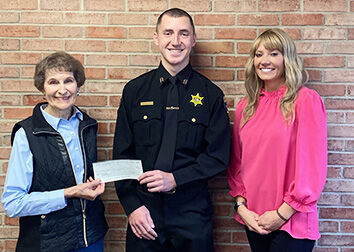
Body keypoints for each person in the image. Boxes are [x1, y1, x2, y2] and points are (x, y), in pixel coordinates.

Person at [113, 8, 230, 252]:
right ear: (156, 38)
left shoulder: (211, 95)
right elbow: (122, 155)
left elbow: (218, 157)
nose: (175, 41)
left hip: (192, 212)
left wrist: (175, 179)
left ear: (193, 40)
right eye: (168, 33)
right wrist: (131, 206)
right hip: (144, 212)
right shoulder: (134, 91)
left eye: (183, 34)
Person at [227, 28, 327, 252]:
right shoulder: (246, 105)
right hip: (255, 219)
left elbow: (312, 167)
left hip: (293, 220)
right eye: (259, 54)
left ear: (287, 59)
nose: (265, 60)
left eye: (274, 53)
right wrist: (241, 207)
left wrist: (282, 214)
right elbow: (237, 163)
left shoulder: (305, 101)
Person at [1, 52, 108, 252]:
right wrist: (70, 192)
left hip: (91, 238)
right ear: (42, 88)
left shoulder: (88, 125)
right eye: (53, 82)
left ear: (78, 86)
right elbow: (13, 204)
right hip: (49, 243)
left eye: (68, 80)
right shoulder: (27, 133)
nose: (62, 90)